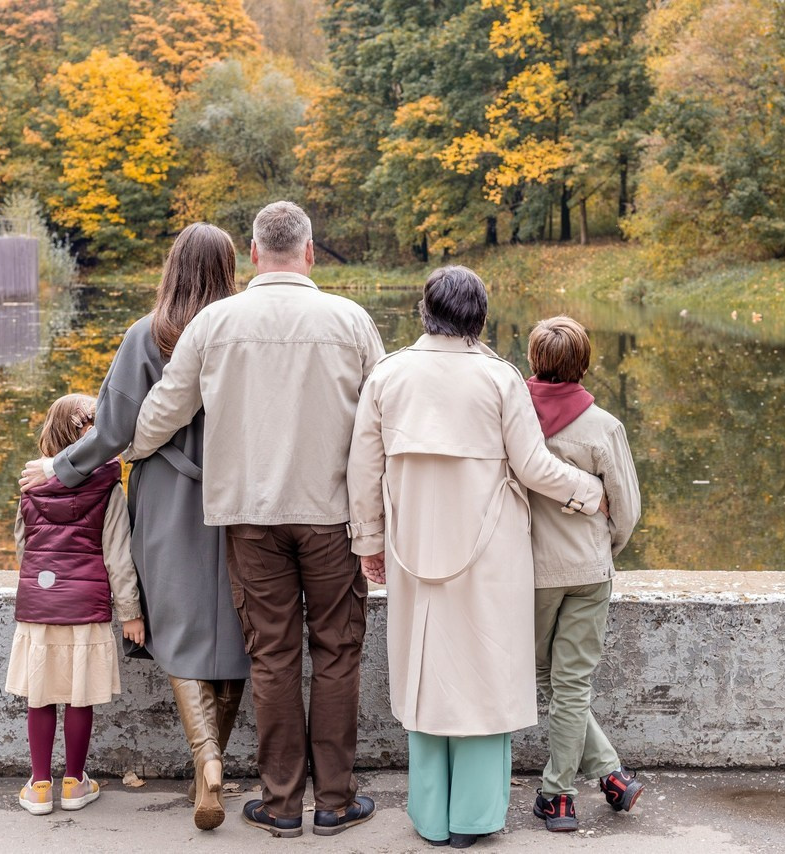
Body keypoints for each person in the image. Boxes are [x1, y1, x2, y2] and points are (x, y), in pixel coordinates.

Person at [122, 200, 385, 838]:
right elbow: (383, 420)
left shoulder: (214, 322)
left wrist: (126, 453)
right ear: (310, 252)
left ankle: (282, 804)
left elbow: (162, 411)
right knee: (337, 652)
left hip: (250, 519)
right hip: (331, 518)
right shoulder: (351, 321)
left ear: (254, 254)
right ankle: (336, 800)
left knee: (272, 655)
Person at [347, 267, 606, 850]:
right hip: (490, 552)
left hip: (414, 547)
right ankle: (473, 818)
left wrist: (368, 542)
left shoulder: (388, 375)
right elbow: (533, 466)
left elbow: (362, 470)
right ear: (481, 318)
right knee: (484, 676)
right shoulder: (499, 377)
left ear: (425, 311)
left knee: (425, 673)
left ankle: (430, 817)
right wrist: (589, 491)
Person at [17, 223, 249, 830]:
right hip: (239, 492)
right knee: (236, 624)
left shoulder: (147, 335)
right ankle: (208, 768)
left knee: (175, 623)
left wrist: (60, 468)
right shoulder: (241, 333)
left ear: (172, 266)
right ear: (230, 270)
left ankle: (208, 758)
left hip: (169, 494)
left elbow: (114, 429)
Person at [524, 316, 644, 832]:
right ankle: (592, 782)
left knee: (545, 676)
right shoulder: (604, 426)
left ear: (533, 360)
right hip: (589, 571)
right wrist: (602, 548)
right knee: (570, 682)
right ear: (586, 365)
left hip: (532, 574)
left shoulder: (513, 419)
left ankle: (567, 792)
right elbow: (627, 510)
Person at [7, 393, 145, 817]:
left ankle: (39, 786)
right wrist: (131, 613)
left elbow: (23, 549)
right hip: (85, 609)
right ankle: (74, 783)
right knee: (78, 697)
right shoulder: (108, 487)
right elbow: (118, 557)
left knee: (40, 695)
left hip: (40, 608)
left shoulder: (32, 485)